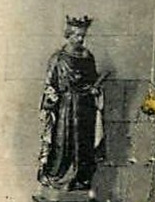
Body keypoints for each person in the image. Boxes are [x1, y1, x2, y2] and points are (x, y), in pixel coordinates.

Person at [38, 15, 107, 191]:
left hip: (85, 108)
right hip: (65, 108)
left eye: (83, 35)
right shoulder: (58, 58)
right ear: (68, 35)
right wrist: (50, 102)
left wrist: (94, 90)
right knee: (61, 141)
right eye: (76, 35)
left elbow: (92, 82)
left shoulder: (87, 57)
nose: (80, 39)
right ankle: (57, 177)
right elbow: (49, 85)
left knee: (83, 144)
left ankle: (80, 179)